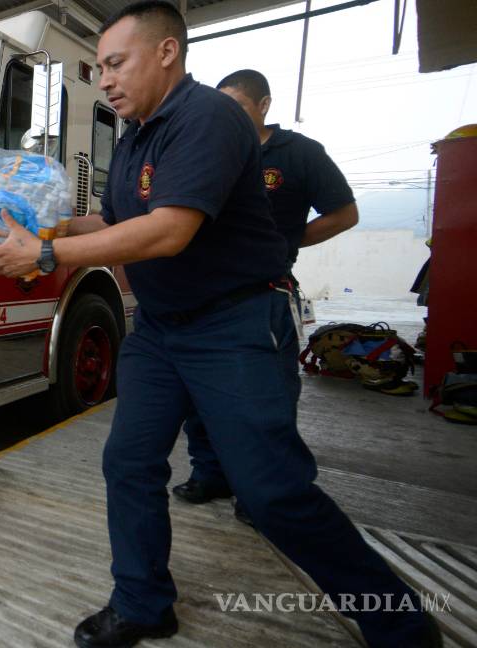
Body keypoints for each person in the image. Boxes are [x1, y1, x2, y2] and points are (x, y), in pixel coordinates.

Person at [0, 3, 439, 647]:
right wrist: (38, 225)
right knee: (129, 463)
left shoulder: (208, 119)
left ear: (167, 53)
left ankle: (399, 623)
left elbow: (168, 230)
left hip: (235, 324)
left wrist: (45, 255)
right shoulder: (134, 134)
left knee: (272, 494)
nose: (104, 80)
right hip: (162, 331)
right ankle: (142, 603)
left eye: (115, 63)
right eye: (100, 67)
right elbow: (116, 223)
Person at [171, 69, 359, 517]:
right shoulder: (208, 150)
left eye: (235, 105)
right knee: (200, 398)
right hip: (199, 294)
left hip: (261, 295)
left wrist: (288, 241)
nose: (224, 116)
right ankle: (210, 473)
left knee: (263, 403)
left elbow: (344, 213)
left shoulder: (299, 154)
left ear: (263, 105)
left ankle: (262, 496)